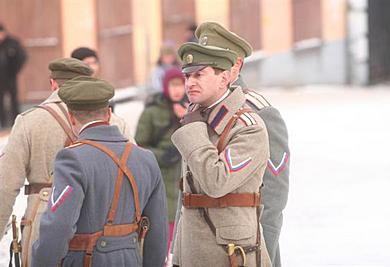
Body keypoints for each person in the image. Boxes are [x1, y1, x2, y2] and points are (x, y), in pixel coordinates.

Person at [0, 58, 133, 267]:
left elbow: (5, 186)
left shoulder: (28, 122)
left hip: (43, 226)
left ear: (53, 83)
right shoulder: (116, 122)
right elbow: (132, 179)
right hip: (104, 230)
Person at [31, 76, 168, 267]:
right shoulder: (146, 158)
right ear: (109, 113)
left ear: (70, 117)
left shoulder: (71, 159)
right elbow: (158, 230)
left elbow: (58, 227)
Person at [192, 22, 291, 267]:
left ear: (235, 65)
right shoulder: (197, 111)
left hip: (244, 249)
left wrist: (256, 253)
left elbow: (273, 197)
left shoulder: (260, 113)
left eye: (214, 60)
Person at [171, 42, 271, 266]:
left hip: (230, 250)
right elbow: (188, 195)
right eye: (187, 76)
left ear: (224, 78)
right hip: (191, 246)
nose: (190, 83)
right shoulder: (196, 118)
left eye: (199, 75)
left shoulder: (247, 127)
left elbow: (216, 182)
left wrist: (195, 131)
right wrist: (178, 253)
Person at [135, 67, 186, 253]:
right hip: (160, 179)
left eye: (181, 84)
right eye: (173, 85)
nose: (177, 90)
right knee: (163, 234)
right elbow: (139, 146)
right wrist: (162, 156)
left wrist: (187, 120)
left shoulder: (194, 109)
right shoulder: (152, 112)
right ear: (166, 86)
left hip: (183, 180)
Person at [0, 23, 27, 127]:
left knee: (13, 98)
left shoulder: (12, 43)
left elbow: (22, 57)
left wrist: (15, 70)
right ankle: (3, 122)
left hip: (10, 76)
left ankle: (16, 121)